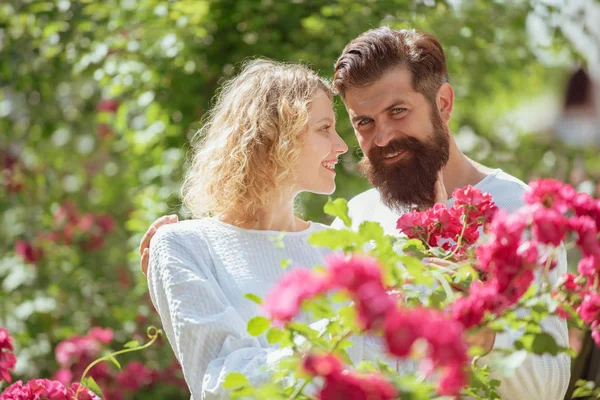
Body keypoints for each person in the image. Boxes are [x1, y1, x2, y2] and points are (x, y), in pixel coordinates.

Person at [141, 28, 570, 399]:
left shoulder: (521, 212)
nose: (381, 137)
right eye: (362, 122)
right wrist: (183, 285)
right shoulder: (354, 223)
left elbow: (548, 387)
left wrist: (481, 336)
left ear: (443, 103)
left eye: (397, 111)